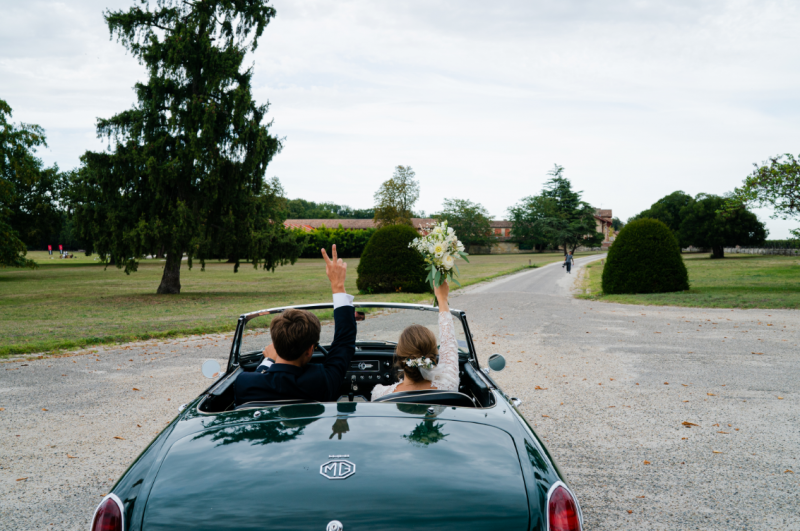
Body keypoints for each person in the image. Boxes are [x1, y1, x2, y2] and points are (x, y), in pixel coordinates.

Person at [234, 245, 356, 405]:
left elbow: (260, 377)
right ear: (310, 350)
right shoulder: (322, 381)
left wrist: (268, 361)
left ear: (276, 345)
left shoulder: (244, 384)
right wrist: (337, 285)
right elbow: (344, 341)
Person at [371, 280, 459, 400]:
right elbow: (449, 342)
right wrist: (442, 299)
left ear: (399, 356)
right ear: (433, 355)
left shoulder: (380, 395)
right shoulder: (449, 386)